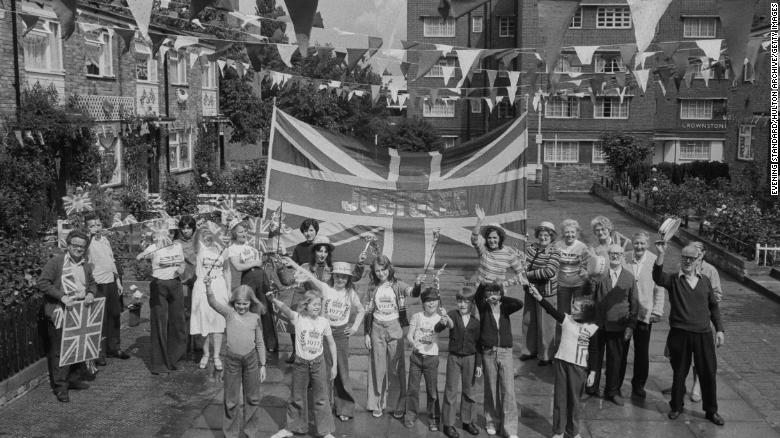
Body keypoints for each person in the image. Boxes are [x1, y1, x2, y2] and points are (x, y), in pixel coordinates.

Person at [653, 242, 725, 426]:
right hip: (680, 334)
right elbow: (657, 277)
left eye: (691, 258)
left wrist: (720, 330)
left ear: (698, 260)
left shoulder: (705, 280)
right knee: (680, 372)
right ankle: (676, 406)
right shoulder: (673, 280)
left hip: (703, 334)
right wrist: (661, 253)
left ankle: (711, 411)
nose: (687, 261)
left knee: (708, 372)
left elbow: (714, 307)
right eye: (684, 257)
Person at [528, 285, 598, 438]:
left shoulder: (592, 328)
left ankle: (573, 431)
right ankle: (558, 431)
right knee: (560, 399)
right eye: (573, 306)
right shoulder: (567, 320)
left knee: (574, 401)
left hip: (578, 368)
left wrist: (593, 372)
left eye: (577, 308)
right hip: (561, 363)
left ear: (586, 311)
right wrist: (539, 297)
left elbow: (594, 352)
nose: (573, 309)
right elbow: (551, 311)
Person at [268, 286, 338, 438]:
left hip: (318, 363)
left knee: (321, 397)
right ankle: (292, 428)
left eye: (319, 304)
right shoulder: (298, 318)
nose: (317, 307)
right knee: (297, 396)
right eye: (314, 304)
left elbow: (332, 343)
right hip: (301, 364)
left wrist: (334, 366)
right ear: (306, 305)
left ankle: (325, 431)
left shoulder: (323, 322)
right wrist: (273, 299)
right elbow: (285, 308)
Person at [203, 278, 267, 438]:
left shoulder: (255, 317)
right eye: (238, 303)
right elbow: (212, 303)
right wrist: (208, 286)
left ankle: (250, 433)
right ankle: (230, 434)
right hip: (232, 361)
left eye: (245, 303)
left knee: (252, 398)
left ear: (250, 302)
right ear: (234, 302)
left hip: (251, 360)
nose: (241, 306)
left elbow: (260, 342)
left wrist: (263, 364)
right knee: (231, 400)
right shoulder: (229, 313)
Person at [39, 230, 97, 402]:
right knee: (60, 351)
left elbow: (92, 283)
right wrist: (62, 296)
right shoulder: (56, 262)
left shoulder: (86, 265)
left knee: (78, 348)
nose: (79, 249)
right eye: (75, 245)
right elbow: (42, 283)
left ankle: (73, 379)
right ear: (68, 245)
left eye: (82, 246)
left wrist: (91, 293)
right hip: (60, 311)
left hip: (80, 311)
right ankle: (60, 387)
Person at [363, 255, 421, 419]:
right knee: (377, 367)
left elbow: (414, 293)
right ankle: (376, 403)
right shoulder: (372, 287)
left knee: (396, 368)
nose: (381, 273)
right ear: (374, 272)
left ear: (389, 268)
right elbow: (368, 312)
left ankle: (398, 404)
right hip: (376, 328)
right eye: (378, 271)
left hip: (395, 327)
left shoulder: (398, 284)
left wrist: (418, 284)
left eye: (384, 269)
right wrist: (367, 333)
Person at [307, 261, 366, 422]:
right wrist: (289, 261)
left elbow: (361, 310)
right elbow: (308, 276)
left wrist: (354, 327)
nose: (340, 279)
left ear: (348, 279)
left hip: (341, 335)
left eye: (344, 277)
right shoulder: (326, 288)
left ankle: (344, 408)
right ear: (333, 275)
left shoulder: (350, 293)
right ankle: (324, 407)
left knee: (341, 371)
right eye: (338, 276)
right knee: (324, 371)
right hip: (325, 334)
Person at [586, 244, 637, 405]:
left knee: (615, 359)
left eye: (618, 254)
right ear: (608, 256)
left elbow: (634, 303)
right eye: (612, 253)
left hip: (619, 325)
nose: (615, 256)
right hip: (599, 324)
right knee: (595, 356)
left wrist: (630, 325)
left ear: (623, 256)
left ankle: (612, 391)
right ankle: (592, 387)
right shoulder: (600, 275)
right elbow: (590, 298)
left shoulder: (629, 277)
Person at [137, 220, 187, 375]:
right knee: (159, 322)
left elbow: (183, 263)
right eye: (166, 232)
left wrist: (180, 268)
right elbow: (139, 257)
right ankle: (158, 364)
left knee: (177, 321)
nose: (169, 235)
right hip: (159, 285)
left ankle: (173, 359)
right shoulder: (154, 247)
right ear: (158, 234)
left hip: (175, 284)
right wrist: (154, 248)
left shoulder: (177, 245)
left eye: (171, 232)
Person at [475, 282, 523, 438]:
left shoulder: (505, 308)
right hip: (488, 352)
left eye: (494, 293)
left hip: (505, 352)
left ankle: (510, 429)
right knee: (491, 389)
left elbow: (519, 303)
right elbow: (477, 296)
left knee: (508, 391)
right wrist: (484, 285)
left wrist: (501, 296)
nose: (491, 296)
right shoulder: (483, 308)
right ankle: (491, 421)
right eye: (489, 293)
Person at [623, 232, 665, 399]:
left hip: (644, 312)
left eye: (642, 244)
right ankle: (616, 383)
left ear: (647, 245)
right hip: (625, 312)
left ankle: (638, 385)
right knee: (622, 348)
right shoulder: (624, 257)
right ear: (632, 243)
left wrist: (657, 310)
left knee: (641, 351)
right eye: (636, 243)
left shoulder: (655, 260)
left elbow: (659, 287)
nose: (639, 247)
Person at [85, 213, 129, 365]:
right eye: (92, 226)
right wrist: (89, 236)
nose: (96, 228)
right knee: (100, 318)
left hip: (110, 281)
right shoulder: (87, 243)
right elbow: (85, 255)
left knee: (114, 315)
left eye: (98, 225)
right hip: (98, 284)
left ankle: (114, 347)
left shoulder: (105, 240)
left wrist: (117, 281)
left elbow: (112, 261)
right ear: (87, 228)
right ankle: (99, 352)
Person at [404, 287, 448, 431]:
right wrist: (412, 342)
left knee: (432, 391)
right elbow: (410, 335)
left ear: (438, 302)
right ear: (423, 303)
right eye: (428, 301)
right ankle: (410, 415)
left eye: (434, 301)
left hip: (432, 359)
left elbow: (442, 326)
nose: (431, 304)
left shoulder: (440, 319)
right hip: (416, 358)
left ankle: (433, 419)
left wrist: (445, 318)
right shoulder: (417, 316)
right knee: (412, 389)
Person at [227, 221, 275, 352]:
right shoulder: (232, 248)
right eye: (240, 232)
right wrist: (255, 262)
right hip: (249, 277)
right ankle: (250, 342)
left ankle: (270, 343)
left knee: (266, 308)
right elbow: (237, 266)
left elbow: (264, 254)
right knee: (251, 309)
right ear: (234, 233)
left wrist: (264, 259)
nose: (244, 234)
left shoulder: (251, 243)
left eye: (245, 231)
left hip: (261, 275)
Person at [441, 287, 482, 438]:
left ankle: (467, 421)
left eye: (466, 301)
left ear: (472, 303)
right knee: (450, 390)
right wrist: (443, 321)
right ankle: (448, 424)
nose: (462, 304)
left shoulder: (476, 322)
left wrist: (478, 364)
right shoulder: (452, 315)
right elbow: (440, 327)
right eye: (460, 301)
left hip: (470, 358)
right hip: (454, 358)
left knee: (469, 391)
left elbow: (478, 345)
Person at [520, 221, 561, 366]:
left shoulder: (555, 252)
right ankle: (528, 350)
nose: (543, 237)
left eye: (547, 235)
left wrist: (527, 274)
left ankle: (546, 355)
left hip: (546, 292)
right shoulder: (531, 248)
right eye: (541, 234)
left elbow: (548, 272)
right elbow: (522, 263)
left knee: (546, 324)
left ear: (552, 237)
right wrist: (523, 270)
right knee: (528, 320)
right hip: (530, 289)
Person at [190, 229, 229, 371]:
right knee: (204, 321)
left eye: (210, 236)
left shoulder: (223, 249)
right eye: (205, 236)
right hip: (202, 285)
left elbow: (227, 270)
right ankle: (206, 354)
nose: (208, 239)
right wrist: (200, 230)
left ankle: (217, 355)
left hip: (219, 286)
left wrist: (229, 291)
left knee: (218, 321)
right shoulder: (200, 249)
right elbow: (195, 241)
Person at [688, 241, 722, 402]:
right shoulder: (685, 266)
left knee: (700, 357)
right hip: (684, 318)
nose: (692, 254)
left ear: (702, 254)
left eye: (696, 251)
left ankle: (697, 386)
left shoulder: (710, 270)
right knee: (677, 354)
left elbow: (717, 295)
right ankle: (679, 384)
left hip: (702, 321)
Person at [285, 218, 320, 363]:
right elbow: (291, 266)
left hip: (315, 288)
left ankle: (315, 351)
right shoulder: (299, 248)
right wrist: (285, 258)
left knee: (315, 320)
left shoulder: (322, 247)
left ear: (316, 231)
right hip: (300, 288)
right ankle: (295, 351)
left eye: (311, 230)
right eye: (305, 231)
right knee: (293, 318)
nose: (308, 233)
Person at [470, 204, 527, 292]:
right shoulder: (483, 250)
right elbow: (474, 240)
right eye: (489, 238)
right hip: (480, 292)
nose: (492, 240)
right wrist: (479, 221)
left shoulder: (509, 253)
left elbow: (521, 273)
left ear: (500, 238)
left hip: (497, 294)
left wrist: (504, 284)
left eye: (494, 238)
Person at [553, 219, 588, 317]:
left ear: (576, 233)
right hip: (563, 285)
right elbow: (553, 264)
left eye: (572, 232)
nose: (570, 234)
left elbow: (587, 265)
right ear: (563, 233)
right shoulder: (557, 245)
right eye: (567, 232)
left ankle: (577, 332)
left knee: (579, 314)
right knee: (563, 315)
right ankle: (563, 332)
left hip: (579, 285)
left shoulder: (582, 247)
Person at [175, 215, 198, 319]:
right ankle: (185, 333)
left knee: (198, 308)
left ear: (193, 228)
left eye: (188, 228)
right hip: (183, 281)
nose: (185, 231)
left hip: (198, 280)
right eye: (183, 228)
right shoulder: (176, 243)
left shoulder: (199, 241)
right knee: (185, 309)